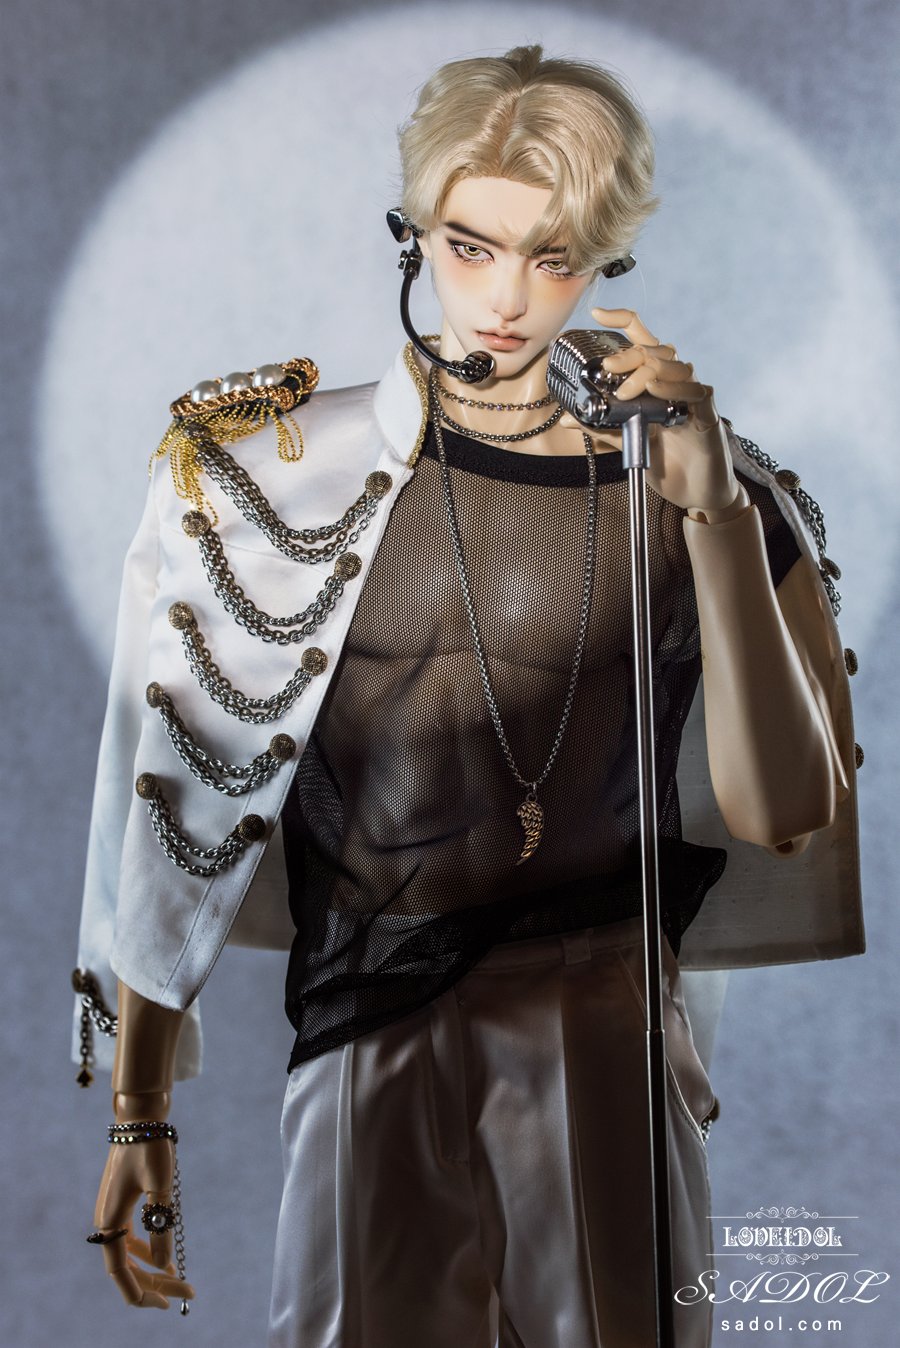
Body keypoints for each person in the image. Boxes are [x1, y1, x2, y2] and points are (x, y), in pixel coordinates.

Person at [73, 44, 863, 1348]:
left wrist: (718, 510)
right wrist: (137, 1110)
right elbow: (164, 807)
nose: (505, 297)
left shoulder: (701, 486)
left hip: (605, 1024)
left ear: (604, 261)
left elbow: (785, 810)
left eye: (554, 258)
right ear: (415, 232)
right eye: (470, 245)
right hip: (367, 1030)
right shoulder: (273, 479)